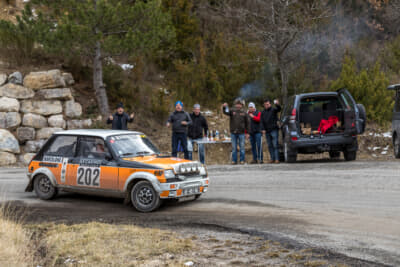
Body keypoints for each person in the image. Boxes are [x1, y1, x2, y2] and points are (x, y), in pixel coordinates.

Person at [222, 98, 250, 165]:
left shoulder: (244, 112)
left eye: (239, 104)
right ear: (235, 104)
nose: (238, 105)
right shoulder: (232, 110)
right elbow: (226, 112)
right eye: (237, 104)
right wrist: (224, 107)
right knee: (234, 147)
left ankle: (242, 160)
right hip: (233, 132)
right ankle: (234, 161)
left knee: (242, 147)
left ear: (242, 105)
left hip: (242, 133)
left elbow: (248, 123)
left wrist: (248, 133)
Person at [261, 99, 281, 163]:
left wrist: (277, 104)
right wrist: (263, 129)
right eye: (265, 104)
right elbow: (261, 122)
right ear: (264, 105)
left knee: (275, 145)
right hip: (267, 131)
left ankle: (277, 159)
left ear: (270, 104)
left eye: (268, 104)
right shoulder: (263, 112)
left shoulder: (273, 110)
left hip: (274, 129)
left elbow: (279, 109)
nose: (266, 105)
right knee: (270, 145)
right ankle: (272, 158)